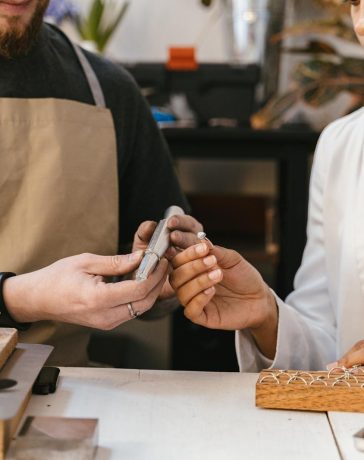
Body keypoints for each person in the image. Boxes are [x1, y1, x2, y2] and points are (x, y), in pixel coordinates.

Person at [0, 0, 202, 365]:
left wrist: (165, 281)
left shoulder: (107, 90)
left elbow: (157, 282)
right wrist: (20, 299)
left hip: (68, 390)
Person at [169, 0, 364, 373]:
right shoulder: (339, 146)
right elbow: (330, 350)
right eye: (356, 2)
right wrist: (265, 315)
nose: (363, 23)